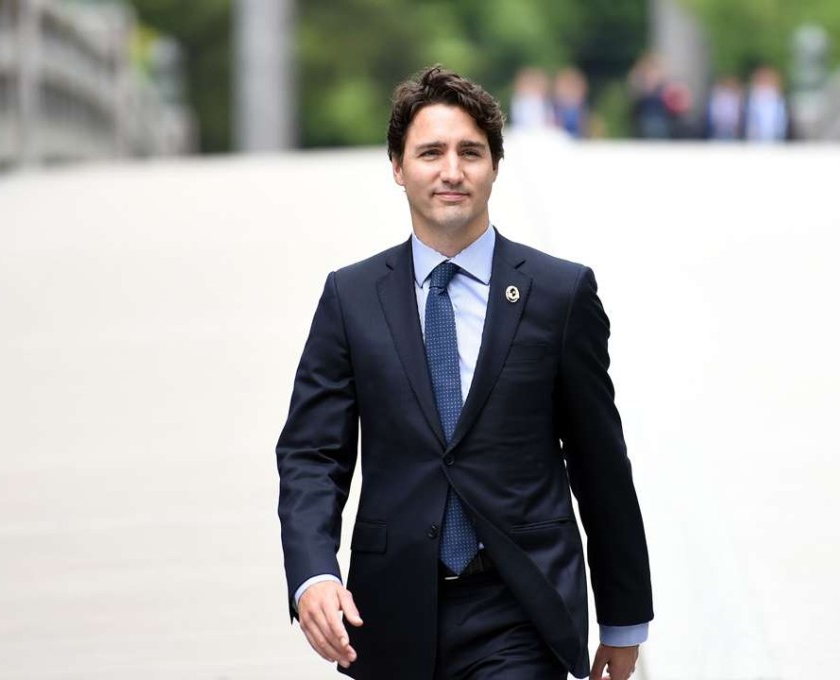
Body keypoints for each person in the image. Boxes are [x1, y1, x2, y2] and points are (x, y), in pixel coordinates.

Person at [276, 65, 653, 680]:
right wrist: (315, 573)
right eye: (431, 153)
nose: (451, 171)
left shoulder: (559, 294)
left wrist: (623, 617)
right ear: (398, 167)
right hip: (389, 610)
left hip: (520, 607)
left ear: (495, 167)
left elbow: (600, 462)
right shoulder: (352, 297)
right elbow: (312, 454)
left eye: (470, 153)